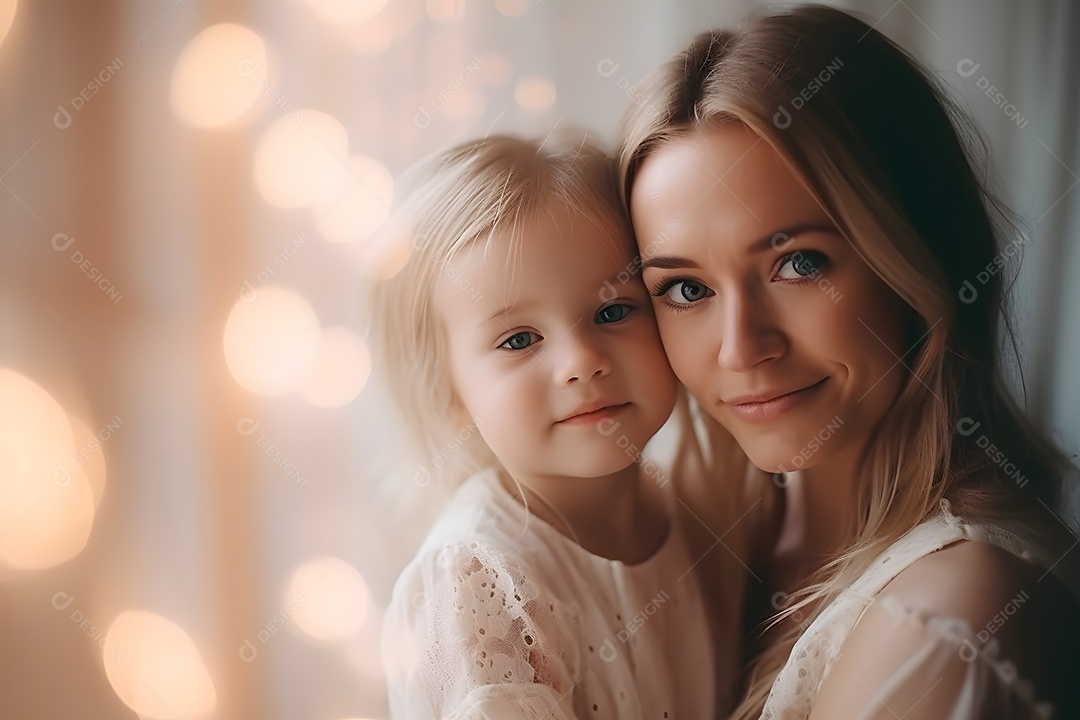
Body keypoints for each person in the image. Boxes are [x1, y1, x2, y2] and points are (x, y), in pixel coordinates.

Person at [618, 5, 1080, 719]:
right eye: (686, 289)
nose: (742, 348)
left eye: (799, 263)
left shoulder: (952, 611)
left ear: (917, 254)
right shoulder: (701, 548)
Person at [372, 132, 722, 719]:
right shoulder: (478, 580)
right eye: (519, 340)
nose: (582, 361)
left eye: (613, 311)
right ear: (449, 394)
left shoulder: (694, 510)